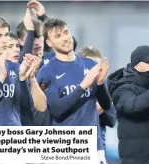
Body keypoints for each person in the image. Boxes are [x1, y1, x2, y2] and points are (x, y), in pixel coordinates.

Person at [37, 18, 112, 163]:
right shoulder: (46, 72)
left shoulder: (89, 64)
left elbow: (107, 105)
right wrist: (83, 85)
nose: (65, 38)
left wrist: (101, 83)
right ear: (49, 43)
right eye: (57, 36)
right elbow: (57, 110)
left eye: (66, 32)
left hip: (93, 146)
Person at [78, 46, 117, 158]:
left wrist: (100, 111)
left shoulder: (104, 88)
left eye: (96, 65)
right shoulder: (73, 87)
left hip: (98, 148)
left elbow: (112, 121)